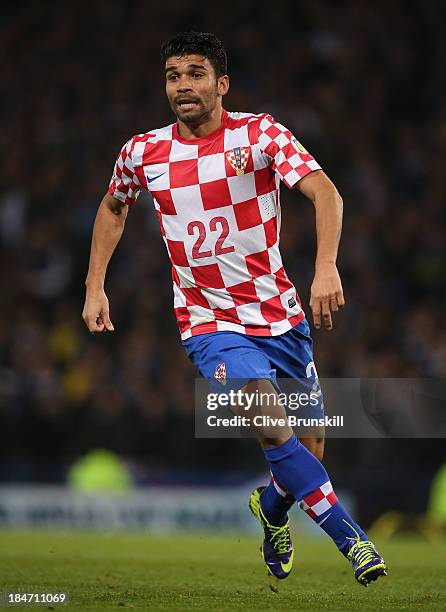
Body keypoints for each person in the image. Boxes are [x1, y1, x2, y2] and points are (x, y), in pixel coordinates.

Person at [83, 31, 387, 586]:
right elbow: (112, 207)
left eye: (196, 74)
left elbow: (326, 193)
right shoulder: (142, 152)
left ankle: (271, 511)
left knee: (309, 453)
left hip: (279, 313)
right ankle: (353, 540)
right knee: (270, 425)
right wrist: (94, 285)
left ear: (222, 84)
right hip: (208, 322)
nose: (183, 86)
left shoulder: (261, 134)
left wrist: (325, 267)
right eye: (174, 76)